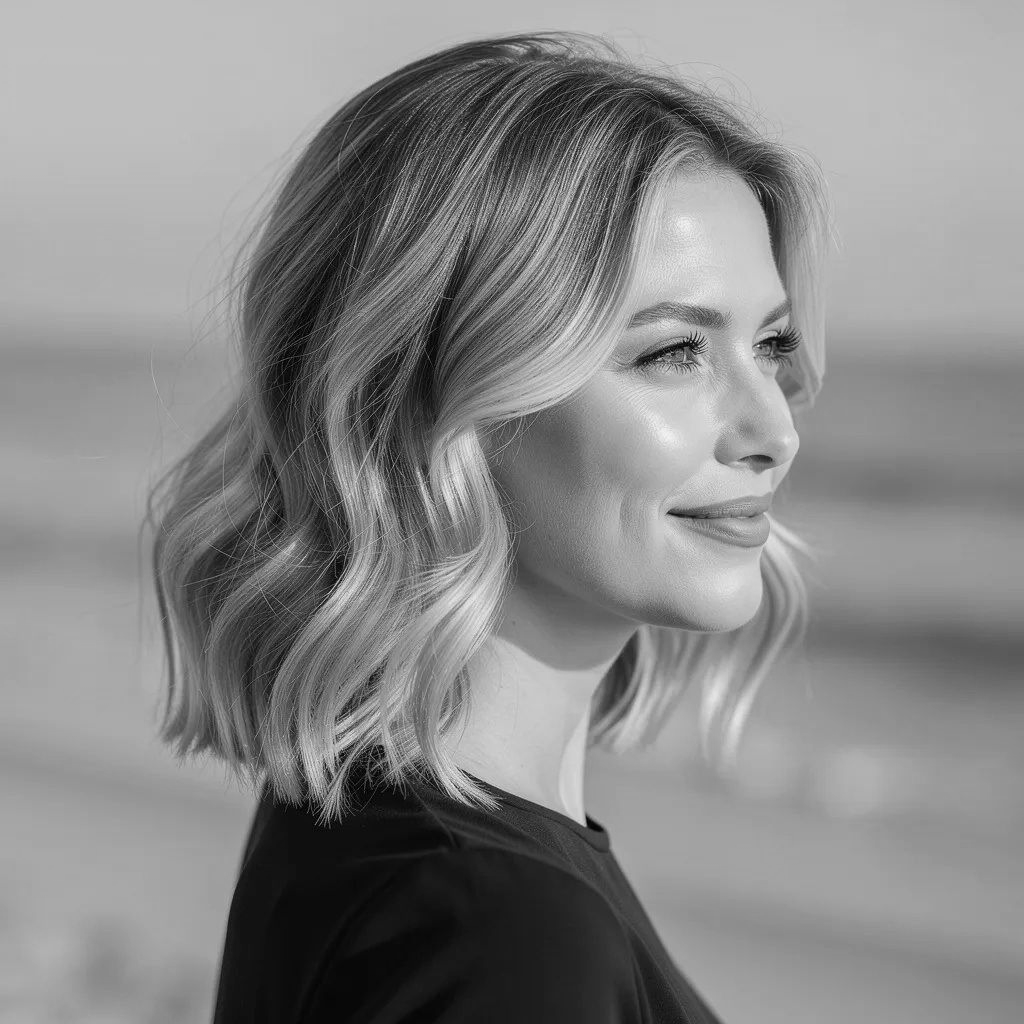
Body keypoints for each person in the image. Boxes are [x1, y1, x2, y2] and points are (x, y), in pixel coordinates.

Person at [143, 30, 832, 1023]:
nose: (774, 428)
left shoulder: (374, 815)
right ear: (436, 400)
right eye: (674, 351)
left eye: (769, 344)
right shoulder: (505, 934)